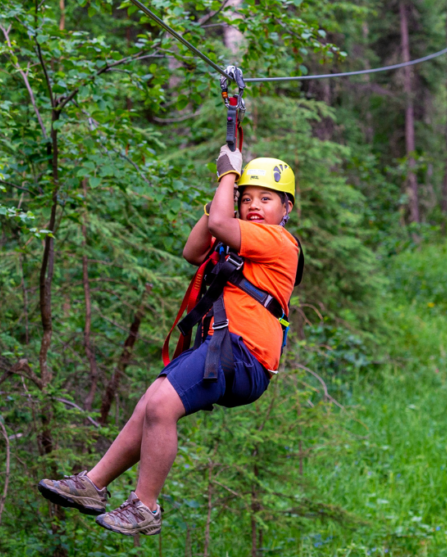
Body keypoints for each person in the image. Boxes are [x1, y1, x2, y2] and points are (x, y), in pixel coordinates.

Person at [37, 144, 302, 536]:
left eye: (266, 198)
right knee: (148, 405)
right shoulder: (239, 235)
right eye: (246, 199)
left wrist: (229, 176)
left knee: (161, 405)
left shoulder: (278, 241)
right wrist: (223, 187)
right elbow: (193, 250)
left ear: (287, 209)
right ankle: (93, 485)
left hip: (244, 356)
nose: (255, 206)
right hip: (223, 348)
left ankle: (144, 507)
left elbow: (217, 227)